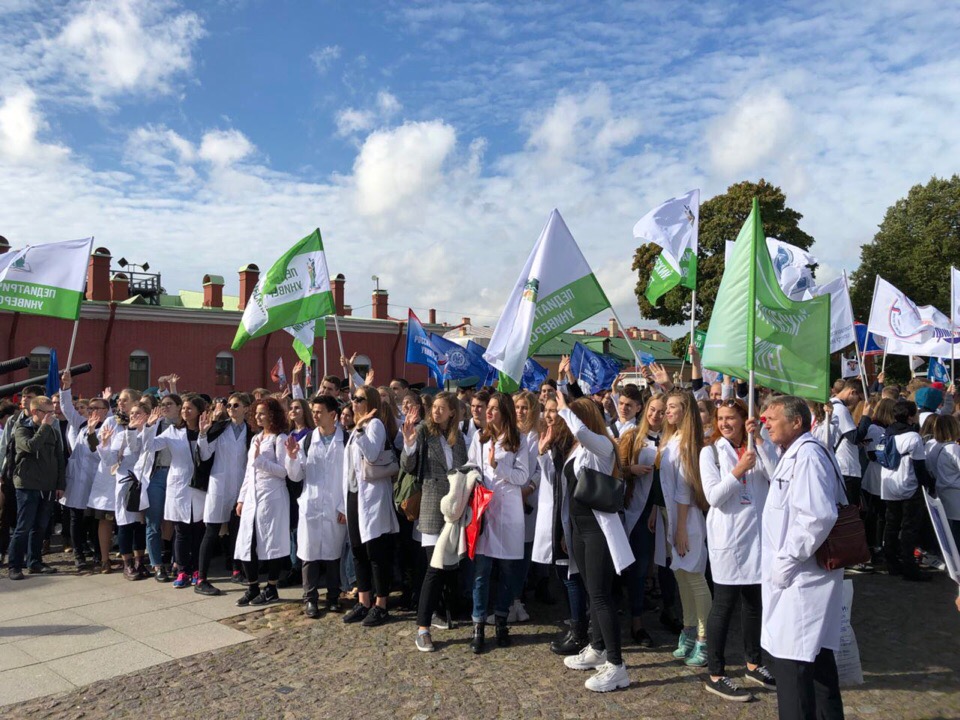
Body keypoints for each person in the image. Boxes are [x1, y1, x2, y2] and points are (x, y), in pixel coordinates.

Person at [761, 395, 845, 720]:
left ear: (796, 422)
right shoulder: (795, 453)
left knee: (793, 668)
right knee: (818, 665)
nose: (766, 422)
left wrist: (786, 562)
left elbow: (817, 516)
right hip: (800, 577)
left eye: (772, 418)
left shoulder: (808, 456)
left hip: (802, 578)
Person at [700, 399, 777, 701]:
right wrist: (738, 470)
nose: (724, 424)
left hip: (757, 539)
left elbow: (776, 476)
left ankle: (753, 663)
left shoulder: (758, 446)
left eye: (731, 418)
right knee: (724, 605)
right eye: (720, 418)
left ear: (745, 419)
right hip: (729, 539)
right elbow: (713, 496)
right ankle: (716, 673)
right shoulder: (710, 452)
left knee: (754, 603)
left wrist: (759, 442)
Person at [557, 392, 634, 693]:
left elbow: (579, 431)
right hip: (579, 529)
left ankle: (617, 666)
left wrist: (565, 408)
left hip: (598, 531)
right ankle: (598, 648)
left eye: (574, 417)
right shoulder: (579, 448)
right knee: (592, 592)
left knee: (602, 596)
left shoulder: (602, 444)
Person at [402, 390, 468, 652]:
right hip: (431, 508)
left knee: (449, 567)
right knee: (434, 567)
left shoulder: (458, 438)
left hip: (454, 510)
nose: (436, 411)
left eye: (442, 408)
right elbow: (409, 466)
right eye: (434, 407)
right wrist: (408, 444)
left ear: (452, 412)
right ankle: (423, 628)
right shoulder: (423, 432)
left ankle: (441, 611)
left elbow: (464, 469)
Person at [467, 391, 529, 653]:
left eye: (493, 408)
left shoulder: (518, 440)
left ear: (504, 412)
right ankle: (478, 625)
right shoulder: (480, 438)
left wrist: (497, 466)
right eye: (487, 408)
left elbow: (523, 476)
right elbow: (471, 465)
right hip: (485, 511)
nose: (488, 412)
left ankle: (501, 620)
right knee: (481, 571)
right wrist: (474, 477)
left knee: (507, 570)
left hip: (508, 512)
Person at [657, 390, 712, 668]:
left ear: (685, 411)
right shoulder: (672, 438)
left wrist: (679, 528)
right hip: (672, 518)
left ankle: (704, 638)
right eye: (667, 407)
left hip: (686, 519)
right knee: (681, 577)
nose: (667, 411)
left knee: (695, 578)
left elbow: (683, 489)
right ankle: (689, 630)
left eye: (673, 407)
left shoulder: (687, 443)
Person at [284, 394, 348, 617]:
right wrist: (292, 457)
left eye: (319, 412)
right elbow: (296, 475)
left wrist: (344, 507)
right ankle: (310, 598)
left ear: (333, 414)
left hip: (335, 506)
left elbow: (351, 477)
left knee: (333, 554)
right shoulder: (308, 440)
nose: (315, 415)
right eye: (313, 412)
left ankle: (333, 596)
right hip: (311, 504)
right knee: (308, 554)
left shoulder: (345, 440)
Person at [341, 385, 400, 627]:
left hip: (372, 496)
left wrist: (360, 429)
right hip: (354, 495)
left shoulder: (374, 425)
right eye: (353, 398)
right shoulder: (357, 428)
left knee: (375, 551)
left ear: (371, 402)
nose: (354, 402)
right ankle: (363, 600)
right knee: (357, 549)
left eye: (359, 399)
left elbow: (373, 454)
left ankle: (381, 604)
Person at [533, 392, 585, 655]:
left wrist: (567, 529)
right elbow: (548, 479)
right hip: (554, 516)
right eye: (547, 410)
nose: (549, 415)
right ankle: (576, 624)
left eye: (555, 410)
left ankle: (579, 631)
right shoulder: (552, 440)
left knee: (570, 576)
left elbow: (564, 485)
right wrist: (543, 451)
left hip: (566, 518)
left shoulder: (568, 442)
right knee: (563, 575)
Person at [141, 395, 209, 587]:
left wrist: (203, 434)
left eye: (190, 408)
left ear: (199, 411)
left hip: (199, 487)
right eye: (184, 408)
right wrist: (149, 426)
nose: (186, 411)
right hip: (178, 485)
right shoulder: (173, 431)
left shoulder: (206, 429)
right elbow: (149, 446)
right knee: (181, 531)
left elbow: (205, 455)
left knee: (198, 530)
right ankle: (182, 571)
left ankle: (196, 570)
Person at [235, 398, 291, 606]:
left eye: (262, 413)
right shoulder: (256, 438)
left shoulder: (280, 438)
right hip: (252, 497)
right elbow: (249, 472)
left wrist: (261, 461)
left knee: (272, 542)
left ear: (273, 415)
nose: (258, 417)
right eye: (256, 413)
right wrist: (241, 498)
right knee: (246, 542)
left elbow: (283, 471)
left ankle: (271, 587)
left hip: (272, 496)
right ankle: (252, 587)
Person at [195, 393, 252, 595]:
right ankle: (201, 578)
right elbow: (205, 455)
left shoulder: (250, 432)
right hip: (219, 484)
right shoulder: (220, 428)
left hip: (240, 485)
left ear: (246, 408)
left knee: (237, 530)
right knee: (211, 531)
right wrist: (203, 434)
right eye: (229, 405)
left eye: (236, 405)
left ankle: (236, 570)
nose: (231, 409)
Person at [7, 396, 66, 579]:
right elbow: (31, 447)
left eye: (53, 412)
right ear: (35, 412)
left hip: (47, 486)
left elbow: (59, 459)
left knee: (40, 527)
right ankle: (14, 565)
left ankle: (35, 562)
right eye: (48, 412)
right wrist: (45, 427)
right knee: (23, 527)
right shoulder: (22, 429)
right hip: (27, 484)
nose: (52, 416)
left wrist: (60, 484)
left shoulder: (53, 432)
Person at [87, 388, 142, 574]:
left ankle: (133, 558)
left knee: (131, 520)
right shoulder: (112, 421)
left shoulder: (142, 420)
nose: (120, 403)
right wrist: (95, 435)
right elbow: (99, 446)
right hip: (109, 476)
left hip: (132, 477)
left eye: (125, 400)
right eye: (119, 400)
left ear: (136, 402)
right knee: (106, 519)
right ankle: (104, 559)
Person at [880, 399, 936, 581]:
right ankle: (909, 568)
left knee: (891, 525)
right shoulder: (913, 437)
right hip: (908, 485)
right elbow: (919, 466)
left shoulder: (887, 432)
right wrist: (928, 484)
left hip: (888, 484)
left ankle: (891, 563)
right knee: (909, 528)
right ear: (911, 417)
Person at [96, 402, 150, 580]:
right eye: (132, 413)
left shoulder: (149, 433)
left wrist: (136, 431)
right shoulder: (120, 436)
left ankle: (140, 561)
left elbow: (138, 447)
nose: (133, 416)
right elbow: (110, 460)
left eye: (138, 413)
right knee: (126, 524)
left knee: (140, 524)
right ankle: (127, 563)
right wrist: (104, 444)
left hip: (143, 484)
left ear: (147, 415)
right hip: (125, 484)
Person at [142, 393, 182, 581]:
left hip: (179, 476)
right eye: (162, 404)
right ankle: (156, 564)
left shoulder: (185, 425)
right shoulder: (156, 424)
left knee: (177, 522)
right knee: (153, 521)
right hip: (157, 475)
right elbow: (146, 446)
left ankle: (177, 562)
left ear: (179, 406)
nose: (165, 407)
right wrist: (149, 427)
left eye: (169, 404)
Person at [927, 414, 960, 548]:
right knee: (956, 533)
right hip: (955, 494)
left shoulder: (931, 445)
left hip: (941, 491)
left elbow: (929, 469)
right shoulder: (954, 448)